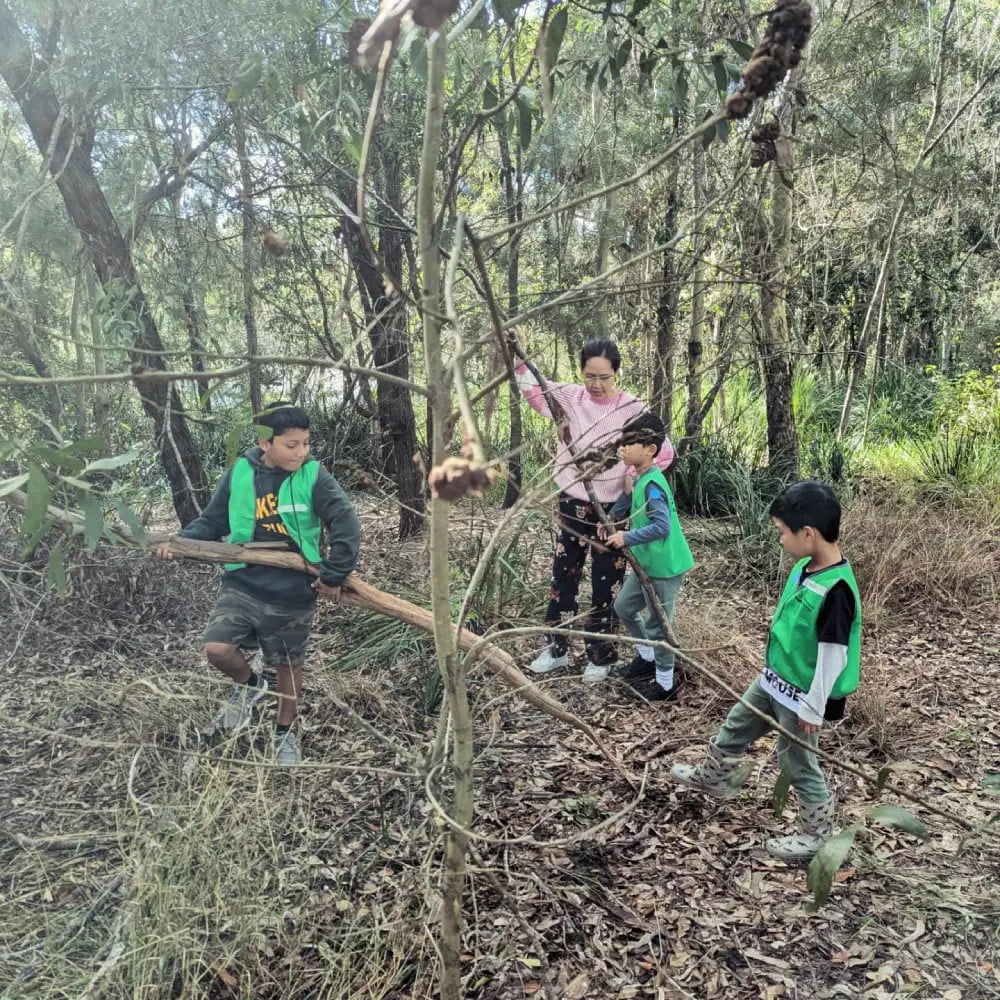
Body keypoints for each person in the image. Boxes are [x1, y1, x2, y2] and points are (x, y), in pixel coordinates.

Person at [157, 402, 360, 766]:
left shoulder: (313, 476)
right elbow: (212, 521)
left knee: (287, 665)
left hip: (293, 591)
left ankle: (284, 732)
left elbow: (346, 524)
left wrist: (333, 576)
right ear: (264, 443)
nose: (301, 453)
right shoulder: (240, 473)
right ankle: (251, 686)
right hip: (243, 583)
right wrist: (180, 544)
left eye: (305, 444)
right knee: (217, 649)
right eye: (291, 445)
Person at [670, 481, 861, 861]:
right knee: (738, 723)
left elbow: (833, 654)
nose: (780, 540)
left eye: (781, 533)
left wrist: (813, 705)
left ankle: (817, 835)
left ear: (808, 534)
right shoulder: (805, 568)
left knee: (797, 760)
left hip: (804, 694)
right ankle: (714, 776)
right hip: (774, 679)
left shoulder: (836, 589)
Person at [514, 331, 674, 684]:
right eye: (590, 376)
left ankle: (600, 656)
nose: (596, 384)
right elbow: (531, 388)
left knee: (607, 584)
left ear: (616, 373)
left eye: (604, 377)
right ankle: (556, 649)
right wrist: (518, 353)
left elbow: (664, 451)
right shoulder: (569, 397)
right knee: (563, 577)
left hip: (612, 512)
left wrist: (637, 478)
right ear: (581, 372)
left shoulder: (632, 409)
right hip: (572, 503)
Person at [601, 411, 694, 702]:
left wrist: (625, 537)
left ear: (650, 449)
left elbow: (662, 526)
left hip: (665, 567)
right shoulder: (640, 478)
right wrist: (614, 517)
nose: (623, 448)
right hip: (647, 563)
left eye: (630, 443)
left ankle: (665, 684)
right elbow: (630, 499)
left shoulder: (654, 484)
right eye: (623, 442)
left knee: (658, 624)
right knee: (624, 607)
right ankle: (647, 658)